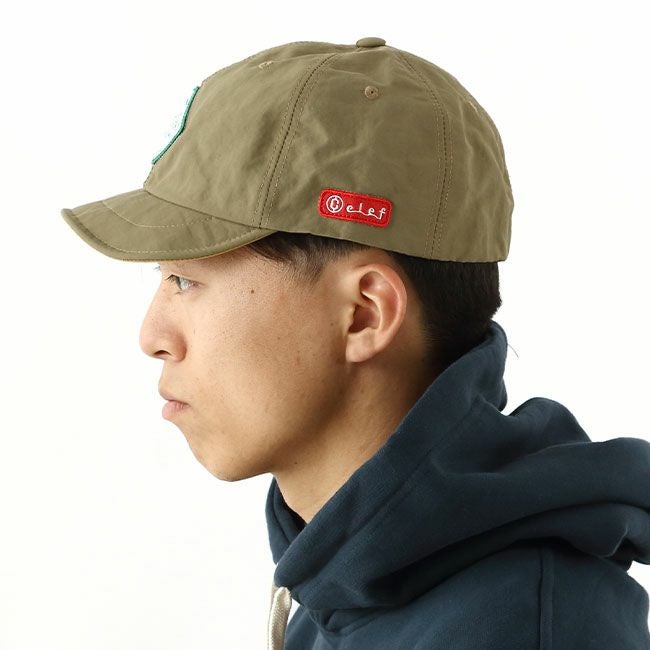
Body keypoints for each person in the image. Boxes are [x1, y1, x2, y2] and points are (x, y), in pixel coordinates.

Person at [60, 37, 650, 649]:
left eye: (186, 281)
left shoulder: (516, 631)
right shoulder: (353, 581)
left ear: (364, 314)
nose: (152, 337)